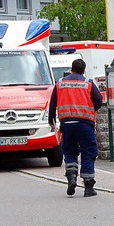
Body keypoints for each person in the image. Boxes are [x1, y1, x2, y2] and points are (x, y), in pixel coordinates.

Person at [48, 59, 103, 197]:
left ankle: (71, 177)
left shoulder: (60, 83)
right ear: (83, 70)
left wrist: (51, 120)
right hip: (84, 124)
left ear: (71, 69)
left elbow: (53, 103)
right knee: (89, 152)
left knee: (70, 151)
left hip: (67, 124)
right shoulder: (88, 83)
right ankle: (88, 186)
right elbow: (99, 101)